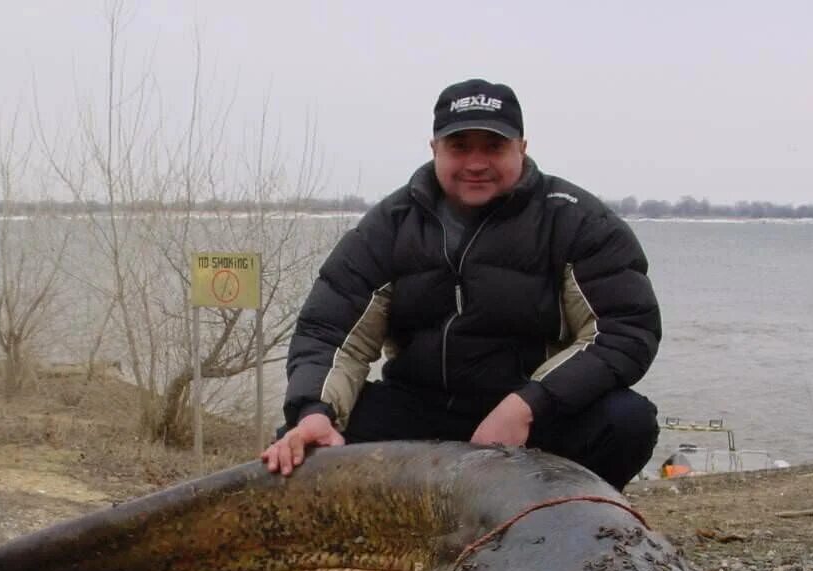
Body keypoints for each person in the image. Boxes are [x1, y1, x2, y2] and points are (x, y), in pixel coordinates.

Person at [261, 78, 661, 490]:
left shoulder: (577, 222)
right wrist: (314, 411)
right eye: (459, 147)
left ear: (521, 148)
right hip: (419, 408)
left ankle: (561, 525)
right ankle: (388, 539)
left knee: (626, 422)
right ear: (434, 149)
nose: (475, 162)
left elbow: (623, 330)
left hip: (532, 413)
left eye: (493, 146)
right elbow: (329, 331)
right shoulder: (391, 225)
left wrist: (527, 405)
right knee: (303, 448)